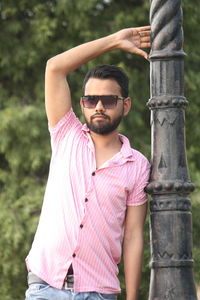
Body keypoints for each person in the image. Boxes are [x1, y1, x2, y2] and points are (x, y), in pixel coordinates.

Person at [25, 26, 151, 300]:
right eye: (91, 99)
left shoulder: (138, 165)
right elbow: (54, 67)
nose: (99, 107)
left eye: (108, 100)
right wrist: (114, 41)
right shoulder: (65, 134)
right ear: (82, 104)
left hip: (98, 292)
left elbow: (132, 237)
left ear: (125, 105)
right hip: (44, 287)